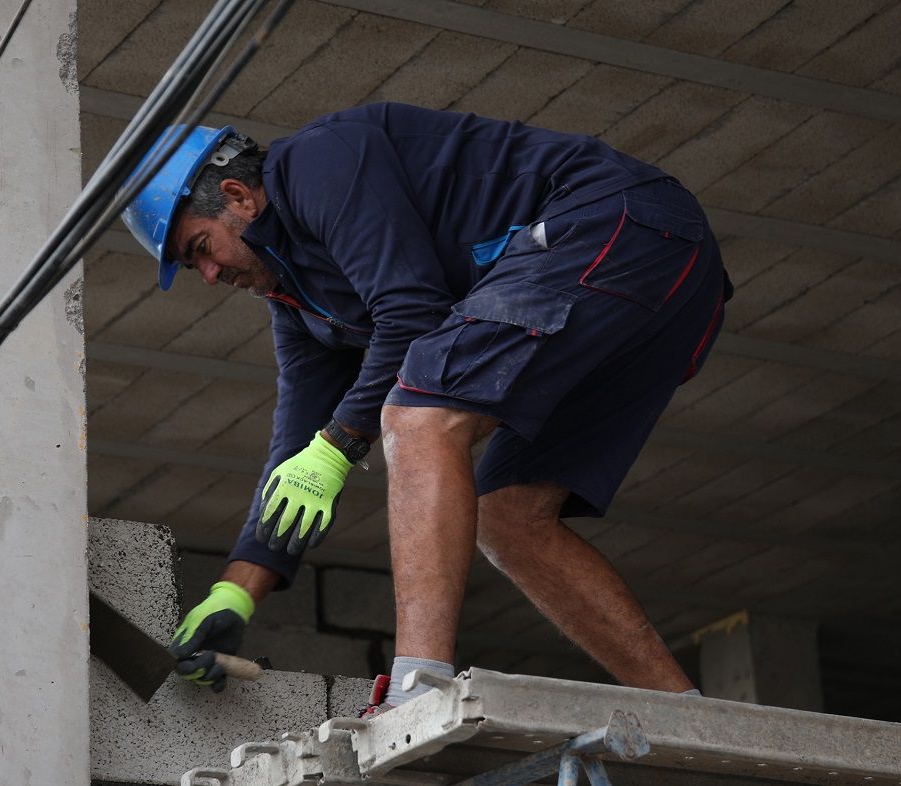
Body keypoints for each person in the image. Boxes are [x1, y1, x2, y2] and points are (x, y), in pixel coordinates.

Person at [122, 102, 731, 712]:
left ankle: (417, 689)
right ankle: (690, 713)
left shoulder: (317, 163)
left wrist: (338, 447)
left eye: (200, 247)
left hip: (615, 227)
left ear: (239, 197)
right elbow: (296, 446)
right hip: (655, 290)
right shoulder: (297, 299)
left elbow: (411, 311)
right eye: (189, 264)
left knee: (415, 418)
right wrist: (238, 590)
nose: (205, 274)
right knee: (508, 519)